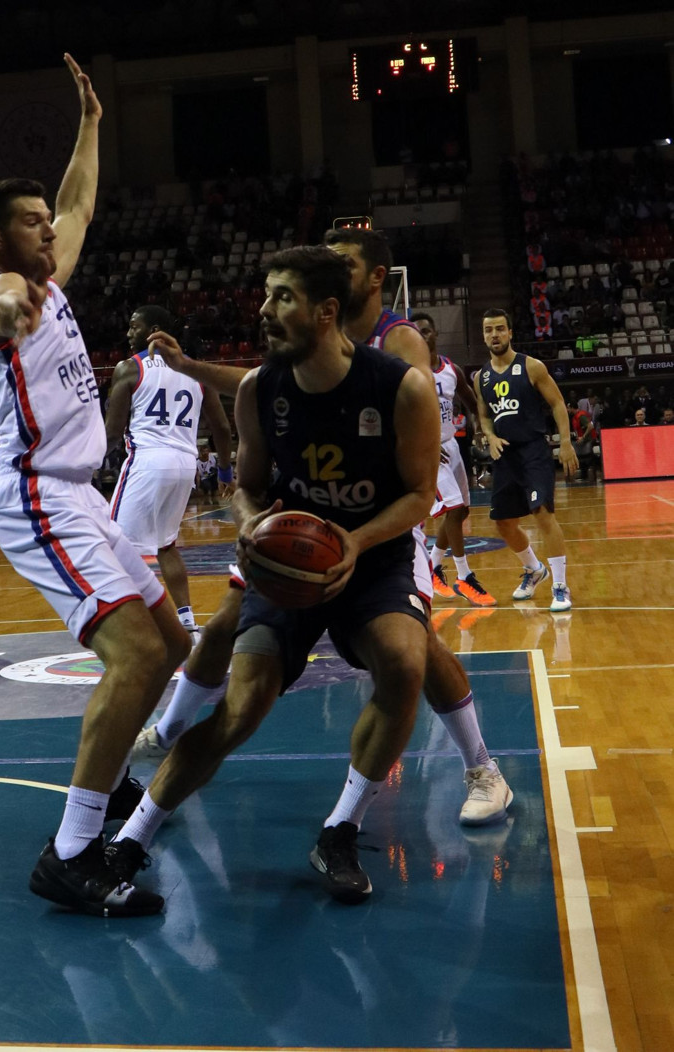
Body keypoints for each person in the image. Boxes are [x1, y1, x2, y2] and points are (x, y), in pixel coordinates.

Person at [136, 232, 513, 830]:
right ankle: (167, 733)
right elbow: (267, 384)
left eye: (346, 264)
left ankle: (482, 766)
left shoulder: (397, 339)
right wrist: (190, 369)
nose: (333, 269)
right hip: (304, 514)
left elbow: (404, 425)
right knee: (223, 629)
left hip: (382, 521)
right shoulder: (300, 335)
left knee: (417, 651)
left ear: (372, 279)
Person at [107, 244, 442, 906]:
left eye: (279, 297)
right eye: (265, 295)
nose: (263, 310)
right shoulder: (262, 391)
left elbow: (420, 494)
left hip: (371, 558)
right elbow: (249, 486)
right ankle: (132, 838)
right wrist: (253, 522)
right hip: (286, 564)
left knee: (406, 664)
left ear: (324, 312)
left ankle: (340, 830)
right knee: (243, 702)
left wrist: (356, 537)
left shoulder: (400, 387)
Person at [0, 54, 190, 918]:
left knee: (168, 647)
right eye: (29, 225)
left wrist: (90, 124)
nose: (48, 232)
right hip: (37, 498)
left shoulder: (53, 277)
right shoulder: (4, 292)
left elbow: (79, 202)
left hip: (84, 499)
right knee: (134, 655)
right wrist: (4, 303)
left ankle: (112, 787)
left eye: (43, 222)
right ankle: (69, 856)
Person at [106, 303, 233, 644]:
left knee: (113, 547)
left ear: (154, 331)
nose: (128, 332)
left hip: (148, 459)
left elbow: (112, 431)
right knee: (166, 546)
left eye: (134, 325)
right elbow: (221, 426)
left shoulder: (129, 369)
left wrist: (83, 467)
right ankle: (187, 620)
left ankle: (137, 627)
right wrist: (223, 471)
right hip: (185, 464)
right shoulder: (194, 370)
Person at [475, 309, 577, 613]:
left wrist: (566, 442)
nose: (494, 335)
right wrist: (490, 437)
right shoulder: (482, 377)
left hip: (533, 450)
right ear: (484, 335)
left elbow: (558, 403)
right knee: (503, 524)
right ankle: (534, 570)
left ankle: (560, 586)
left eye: (500, 329)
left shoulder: (532, 367)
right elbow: (483, 415)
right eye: (489, 330)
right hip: (505, 455)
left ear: (510, 333)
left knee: (542, 513)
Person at [409, 311, 496, 608]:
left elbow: (472, 402)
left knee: (460, 513)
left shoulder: (451, 369)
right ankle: (464, 576)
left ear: (435, 334)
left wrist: (480, 431)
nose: (422, 335)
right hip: (428, 452)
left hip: (453, 447)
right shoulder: (407, 372)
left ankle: (434, 567)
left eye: (426, 330)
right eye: (416, 331)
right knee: (454, 508)